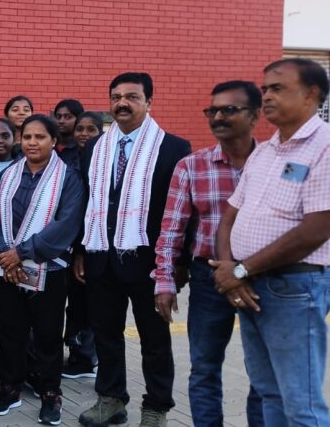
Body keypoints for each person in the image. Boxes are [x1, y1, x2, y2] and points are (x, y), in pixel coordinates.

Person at [212, 58, 330, 426]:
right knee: (268, 392)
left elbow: (316, 229)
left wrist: (240, 271)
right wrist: (229, 271)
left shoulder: (324, 147)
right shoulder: (265, 151)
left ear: (311, 94)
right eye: (264, 89)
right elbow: (229, 217)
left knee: (301, 403)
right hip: (249, 286)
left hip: (293, 288)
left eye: (277, 88)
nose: (266, 96)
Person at [77, 72, 191, 427]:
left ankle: (156, 407)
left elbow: (183, 212)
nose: (122, 103)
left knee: (154, 340)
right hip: (101, 257)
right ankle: (111, 399)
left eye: (131, 97)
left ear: (149, 102)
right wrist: (81, 250)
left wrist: (178, 264)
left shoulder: (173, 148)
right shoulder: (96, 147)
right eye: (116, 97)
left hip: (149, 262)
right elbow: (88, 201)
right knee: (106, 335)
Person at [152, 80, 264, 426]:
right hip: (208, 278)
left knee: (264, 371)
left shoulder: (273, 164)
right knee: (204, 368)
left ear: (255, 115)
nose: (218, 117)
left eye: (229, 109)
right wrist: (164, 281)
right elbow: (171, 229)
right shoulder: (192, 166)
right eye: (212, 110)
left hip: (263, 277)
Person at [0, 115, 85, 426]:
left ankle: (50, 394)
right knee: (11, 333)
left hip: (47, 270)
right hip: (7, 269)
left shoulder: (68, 178)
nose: (32, 142)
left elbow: (66, 224)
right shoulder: (7, 176)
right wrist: (4, 256)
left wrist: (21, 253)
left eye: (40, 137)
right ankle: (10, 389)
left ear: (54, 141)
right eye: (27, 136)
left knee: (48, 335)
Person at [62, 110, 107, 381]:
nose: (84, 134)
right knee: (74, 304)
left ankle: (87, 356)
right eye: (80, 128)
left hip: (90, 243)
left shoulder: (102, 160)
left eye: (91, 129)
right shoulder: (67, 158)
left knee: (88, 302)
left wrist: (80, 249)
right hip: (67, 244)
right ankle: (77, 353)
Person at [52, 99, 84, 166]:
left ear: (79, 119)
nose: (61, 121)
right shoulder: (49, 147)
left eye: (67, 117)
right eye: (58, 117)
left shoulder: (83, 149)